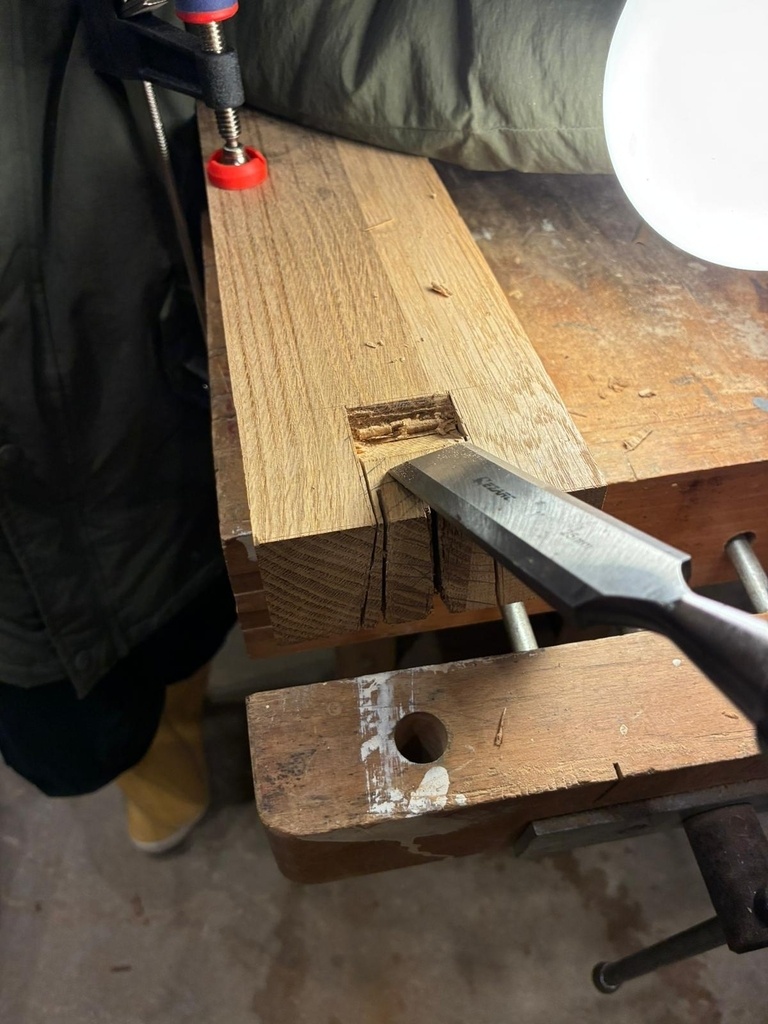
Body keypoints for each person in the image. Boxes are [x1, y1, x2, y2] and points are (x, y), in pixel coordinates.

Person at [0, 0, 621, 853]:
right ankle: (155, 772)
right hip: (25, 566)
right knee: (79, 736)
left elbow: (335, 32)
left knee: (177, 618)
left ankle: (174, 724)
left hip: (129, 376)